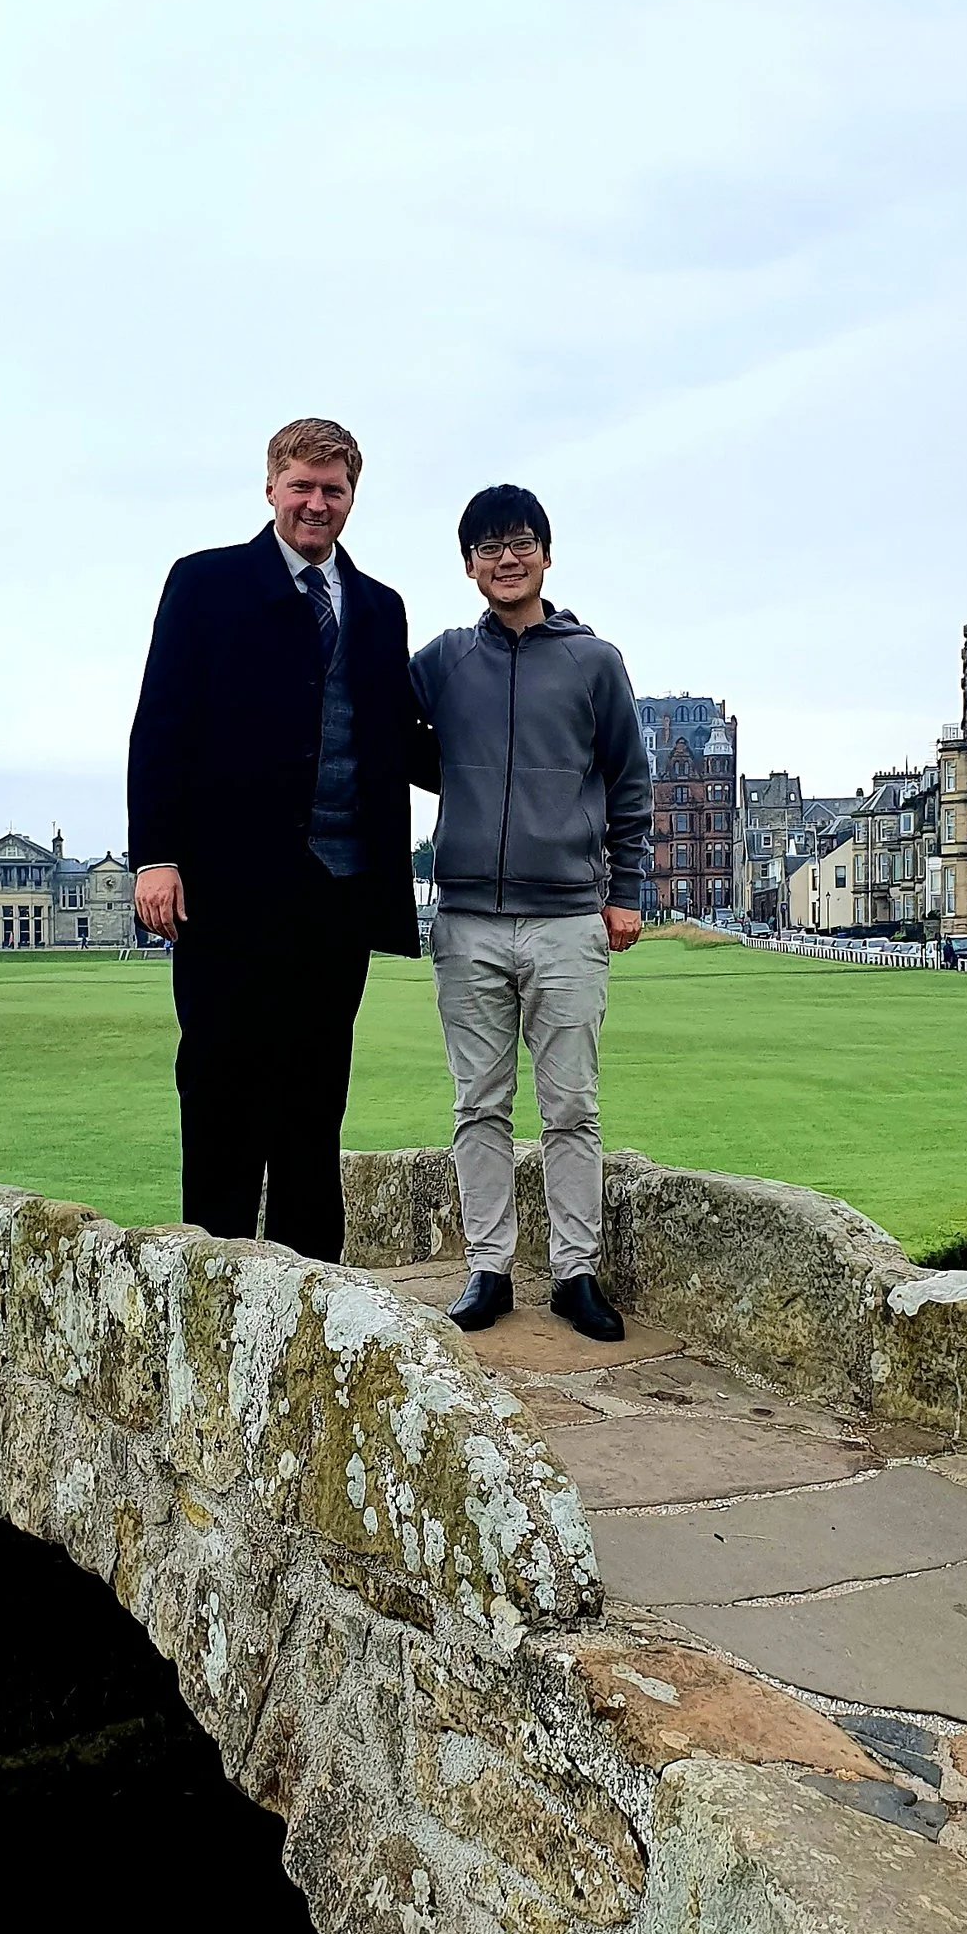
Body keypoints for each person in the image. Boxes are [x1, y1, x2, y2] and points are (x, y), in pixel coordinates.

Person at [126, 417, 425, 1261]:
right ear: (270, 487)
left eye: (334, 490)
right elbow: (161, 725)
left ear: (352, 498)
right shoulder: (206, 584)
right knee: (221, 1091)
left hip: (338, 897)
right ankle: (213, 1285)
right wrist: (155, 854)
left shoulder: (378, 609)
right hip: (228, 894)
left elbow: (401, 739)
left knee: (315, 1099)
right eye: (302, 485)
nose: (316, 504)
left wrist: (531, 712)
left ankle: (311, 1294)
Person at [410, 483, 651, 1340]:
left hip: (566, 920)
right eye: (486, 547)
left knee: (571, 1106)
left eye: (519, 542)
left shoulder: (595, 661)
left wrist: (626, 893)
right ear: (468, 564)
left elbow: (629, 781)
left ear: (547, 552)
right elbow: (390, 737)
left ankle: (576, 1273)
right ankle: (489, 1267)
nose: (504, 559)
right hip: (468, 915)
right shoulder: (441, 660)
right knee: (478, 1103)